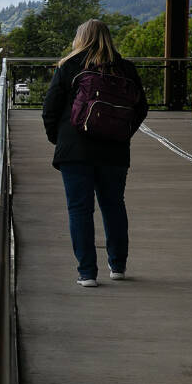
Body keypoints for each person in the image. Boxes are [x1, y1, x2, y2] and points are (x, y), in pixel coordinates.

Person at [41, 18, 147, 288]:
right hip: (115, 152)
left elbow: (50, 109)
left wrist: (59, 139)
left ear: (80, 38)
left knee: (80, 210)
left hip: (75, 151)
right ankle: (118, 266)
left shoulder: (69, 67)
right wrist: (122, 133)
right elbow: (141, 108)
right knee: (114, 206)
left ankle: (87, 273)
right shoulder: (126, 69)